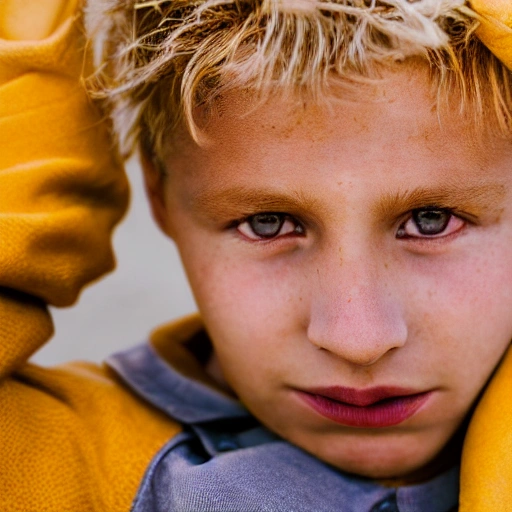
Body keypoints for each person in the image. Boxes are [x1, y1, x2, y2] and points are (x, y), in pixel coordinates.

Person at [1, 0, 512, 511]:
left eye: (431, 221)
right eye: (267, 224)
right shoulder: (77, 463)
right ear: (160, 197)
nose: (358, 340)